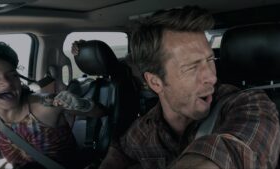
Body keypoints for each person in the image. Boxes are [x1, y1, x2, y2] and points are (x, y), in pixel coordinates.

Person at [98, 6, 280, 169]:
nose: (212, 76)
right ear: (155, 82)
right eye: (192, 67)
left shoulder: (250, 105)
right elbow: (118, 154)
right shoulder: (142, 132)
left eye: (210, 60)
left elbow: (237, 151)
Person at [0, 41, 103, 169]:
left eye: (13, 75)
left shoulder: (44, 105)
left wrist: (81, 104)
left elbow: (100, 112)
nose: (7, 83)